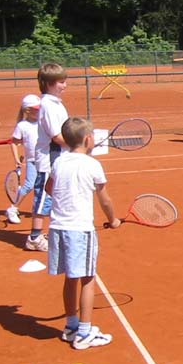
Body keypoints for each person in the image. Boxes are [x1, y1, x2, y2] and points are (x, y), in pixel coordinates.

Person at [45, 117, 120, 349]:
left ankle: (71, 326)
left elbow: (49, 188)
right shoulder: (92, 165)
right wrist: (113, 220)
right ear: (88, 140)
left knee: (70, 278)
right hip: (81, 230)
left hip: (58, 228)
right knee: (88, 278)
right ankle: (85, 332)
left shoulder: (58, 162)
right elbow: (105, 200)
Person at [26, 63, 69, 251]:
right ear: (49, 84)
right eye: (61, 82)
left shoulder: (55, 104)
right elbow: (56, 136)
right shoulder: (48, 106)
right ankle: (34, 238)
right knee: (44, 196)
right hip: (49, 159)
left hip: (58, 157)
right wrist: (78, 145)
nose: (65, 85)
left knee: (56, 195)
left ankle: (52, 232)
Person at [5, 94, 41, 225]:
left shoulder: (44, 122)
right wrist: (16, 159)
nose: (40, 110)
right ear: (27, 110)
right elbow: (14, 142)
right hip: (32, 160)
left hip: (46, 160)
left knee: (48, 185)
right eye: (36, 109)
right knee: (29, 185)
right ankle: (13, 209)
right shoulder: (22, 125)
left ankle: (40, 208)